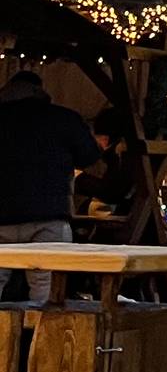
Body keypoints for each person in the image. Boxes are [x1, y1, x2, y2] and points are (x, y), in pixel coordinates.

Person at [0, 71, 104, 305]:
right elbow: (89, 155)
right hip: (49, 214)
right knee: (45, 288)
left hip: (2, 216)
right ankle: (41, 337)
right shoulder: (63, 119)